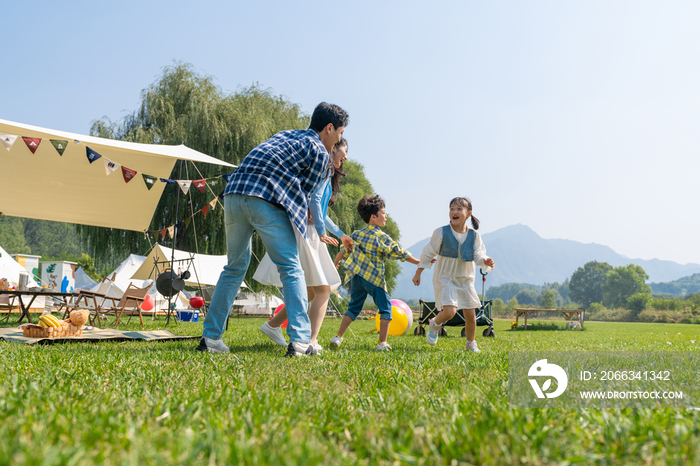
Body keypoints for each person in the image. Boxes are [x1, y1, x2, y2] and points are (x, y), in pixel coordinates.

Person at [196, 102, 349, 357]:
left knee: (234, 267)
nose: (339, 140)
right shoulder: (320, 153)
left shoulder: (285, 134)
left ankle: (211, 338)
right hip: (263, 199)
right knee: (291, 268)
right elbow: (307, 198)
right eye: (340, 134)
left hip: (233, 195)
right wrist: (313, 230)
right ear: (329, 128)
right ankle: (301, 342)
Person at [255, 138, 354, 351]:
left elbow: (320, 211)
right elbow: (315, 203)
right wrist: (320, 231)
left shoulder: (320, 170)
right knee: (323, 290)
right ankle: (310, 341)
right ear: (332, 148)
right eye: (343, 151)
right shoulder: (323, 169)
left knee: (308, 290)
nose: (345, 157)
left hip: (303, 228)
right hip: (308, 232)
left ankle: (273, 325)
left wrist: (340, 233)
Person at [330, 195, 420, 351]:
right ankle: (381, 343)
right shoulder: (381, 237)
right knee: (385, 309)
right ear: (373, 217)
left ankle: (338, 337)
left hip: (357, 278)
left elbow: (343, 252)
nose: (386, 216)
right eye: (383, 213)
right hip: (374, 279)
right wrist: (419, 262)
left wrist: (335, 263)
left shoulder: (356, 234)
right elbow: (400, 252)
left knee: (353, 308)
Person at [412, 197, 495, 353]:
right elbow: (428, 253)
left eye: (459, 209)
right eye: (452, 209)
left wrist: (485, 260)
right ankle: (434, 323)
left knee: (471, 315)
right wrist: (419, 272)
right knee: (450, 311)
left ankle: (471, 343)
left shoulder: (474, 236)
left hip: (465, 279)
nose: (454, 212)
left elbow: (478, 254)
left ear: (468, 213)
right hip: (445, 276)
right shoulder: (441, 232)